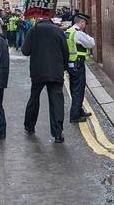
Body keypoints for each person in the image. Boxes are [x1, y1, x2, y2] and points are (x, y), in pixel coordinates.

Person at [22, 15, 69, 143]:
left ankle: (29, 126)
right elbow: (66, 52)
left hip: (38, 72)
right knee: (56, 101)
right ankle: (58, 133)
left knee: (34, 99)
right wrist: (63, 67)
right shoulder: (58, 31)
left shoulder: (34, 30)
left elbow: (25, 51)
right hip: (56, 72)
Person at [65, 13, 95, 123]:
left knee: (74, 89)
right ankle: (75, 115)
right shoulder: (78, 33)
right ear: (81, 22)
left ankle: (79, 110)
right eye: (85, 23)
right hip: (78, 65)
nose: (85, 25)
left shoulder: (68, 31)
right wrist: (87, 36)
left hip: (71, 65)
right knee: (79, 90)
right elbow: (91, 43)